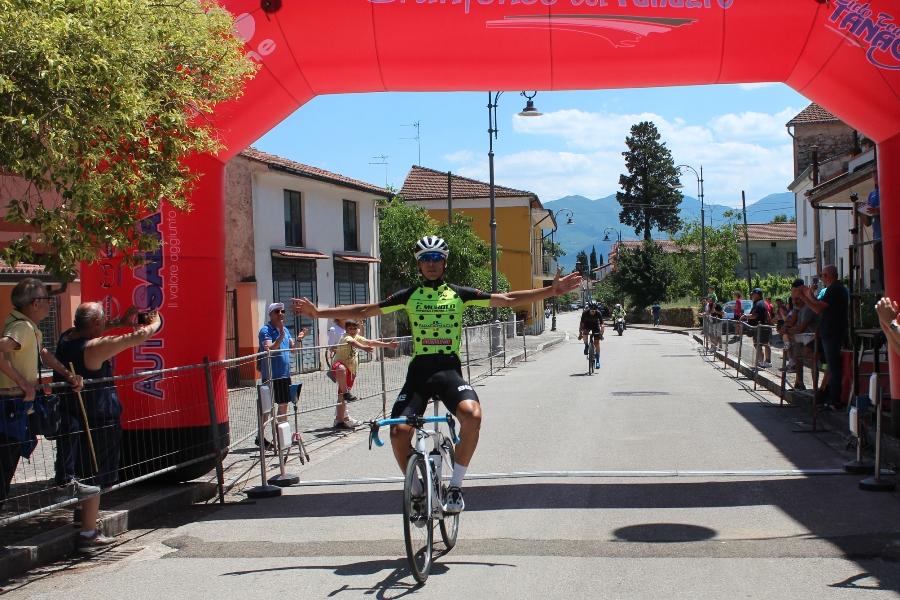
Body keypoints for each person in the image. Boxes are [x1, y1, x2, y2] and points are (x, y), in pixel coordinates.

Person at [292, 235, 580, 514]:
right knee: (398, 432)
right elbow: (366, 310)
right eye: (425, 259)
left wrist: (550, 292)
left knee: (473, 415)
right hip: (419, 372)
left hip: (448, 371)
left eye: (436, 258)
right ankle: (416, 490)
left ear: (444, 263)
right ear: (419, 264)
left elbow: (506, 298)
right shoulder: (409, 295)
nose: (431, 263)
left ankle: (455, 486)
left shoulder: (458, 294)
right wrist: (319, 314)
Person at [53, 302, 161, 552]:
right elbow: (135, 338)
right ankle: (89, 534)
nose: (105, 326)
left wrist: (121, 321)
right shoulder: (94, 348)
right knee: (95, 475)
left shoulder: (66, 338)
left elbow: (95, 327)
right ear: (94, 325)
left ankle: (83, 518)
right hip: (97, 418)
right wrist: (156, 323)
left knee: (82, 471)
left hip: (73, 416)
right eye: (102, 322)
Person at [0, 279, 83, 510]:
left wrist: (68, 374)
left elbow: (43, 353)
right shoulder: (22, 328)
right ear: (35, 303)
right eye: (47, 300)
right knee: (4, 466)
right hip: (10, 404)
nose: (49, 304)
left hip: (17, 404)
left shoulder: (29, 328)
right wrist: (23, 383)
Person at [330, 320, 399, 429]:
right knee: (341, 370)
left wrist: (387, 345)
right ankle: (346, 394)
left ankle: (339, 420)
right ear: (346, 329)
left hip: (351, 369)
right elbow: (352, 343)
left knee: (340, 396)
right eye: (350, 329)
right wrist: (364, 348)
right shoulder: (346, 336)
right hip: (339, 366)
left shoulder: (357, 336)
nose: (352, 331)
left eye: (354, 328)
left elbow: (370, 342)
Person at [802, 265, 848, 409]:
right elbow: (820, 305)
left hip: (832, 332)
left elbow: (816, 308)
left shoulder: (834, 289)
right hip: (830, 331)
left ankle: (834, 399)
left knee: (833, 367)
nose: (821, 278)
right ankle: (829, 396)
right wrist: (810, 295)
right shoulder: (835, 289)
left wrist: (804, 297)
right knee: (831, 365)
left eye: (822, 275)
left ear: (828, 276)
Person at [258, 302, 306, 438]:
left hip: (284, 375)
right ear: (270, 314)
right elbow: (269, 349)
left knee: (284, 404)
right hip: (271, 376)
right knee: (266, 409)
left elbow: (294, 350)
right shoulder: (265, 330)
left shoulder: (286, 330)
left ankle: (281, 436)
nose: (281, 314)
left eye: (282, 311)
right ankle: (260, 437)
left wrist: (299, 339)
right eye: (277, 311)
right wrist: (280, 335)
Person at [326, 318, 358, 405]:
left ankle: (344, 415)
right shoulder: (334, 329)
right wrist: (343, 350)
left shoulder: (350, 328)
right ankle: (341, 416)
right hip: (341, 362)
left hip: (351, 363)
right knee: (343, 392)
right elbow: (331, 347)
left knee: (345, 391)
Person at [744, 288, 772, 368]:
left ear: (757, 295)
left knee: (758, 345)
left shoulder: (758, 304)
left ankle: (761, 362)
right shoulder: (763, 303)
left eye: (752, 294)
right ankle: (766, 361)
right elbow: (769, 315)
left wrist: (745, 316)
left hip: (760, 328)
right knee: (765, 344)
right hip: (765, 326)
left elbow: (754, 315)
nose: (751, 295)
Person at [579, 302, 605, 370]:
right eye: (591, 310)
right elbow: (581, 324)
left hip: (595, 325)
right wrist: (580, 333)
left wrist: (601, 334)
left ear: (596, 309)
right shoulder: (585, 313)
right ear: (589, 309)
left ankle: (598, 361)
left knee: (597, 343)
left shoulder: (598, 313)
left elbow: (602, 324)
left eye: (594, 310)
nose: (593, 312)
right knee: (585, 333)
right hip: (587, 324)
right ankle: (586, 345)